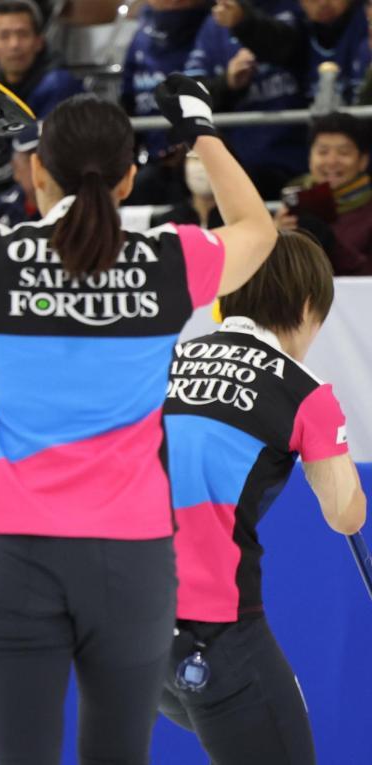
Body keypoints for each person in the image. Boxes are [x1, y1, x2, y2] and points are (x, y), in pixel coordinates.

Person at [0, 75, 277, 763]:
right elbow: (258, 231)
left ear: (37, 174)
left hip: (14, 549)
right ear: (129, 178)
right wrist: (200, 131)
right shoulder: (170, 259)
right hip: (132, 553)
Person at [160, 229, 366, 765]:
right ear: (307, 306)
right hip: (211, 628)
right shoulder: (303, 392)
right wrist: (329, 434)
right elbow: (346, 516)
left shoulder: (167, 359)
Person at [184, 0, 308, 199]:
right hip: (239, 159)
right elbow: (191, 94)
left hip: (295, 157)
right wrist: (227, 83)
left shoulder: (294, 8)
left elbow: (284, 47)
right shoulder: (213, 24)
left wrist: (242, 21)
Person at [0, 0, 83, 188]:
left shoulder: (59, 84)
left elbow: (49, 155)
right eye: (4, 36)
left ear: (39, 42)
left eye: (23, 34)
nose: (14, 44)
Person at [121, 0, 211, 204]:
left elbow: (215, 95)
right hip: (153, 159)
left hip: (200, 155)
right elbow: (127, 100)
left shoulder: (210, 28)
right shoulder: (141, 36)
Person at [211, 0, 370, 103]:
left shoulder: (364, 21)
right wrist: (242, 20)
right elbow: (278, 44)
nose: (322, 2)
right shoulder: (301, 27)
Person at [275, 111, 372, 275]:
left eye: (343, 153)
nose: (332, 161)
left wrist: (331, 244)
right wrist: (275, 235)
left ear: (363, 161)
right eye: (323, 152)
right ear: (310, 158)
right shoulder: (292, 201)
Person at [0, 126, 41, 226]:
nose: (40, 167)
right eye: (30, 160)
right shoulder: (6, 205)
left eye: (46, 158)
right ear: (15, 167)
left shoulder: (64, 209)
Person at [152, 149, 224, 229]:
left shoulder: (232, 221)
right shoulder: (170, 221)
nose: (202, 166)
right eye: (195, 158)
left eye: (211, 159)